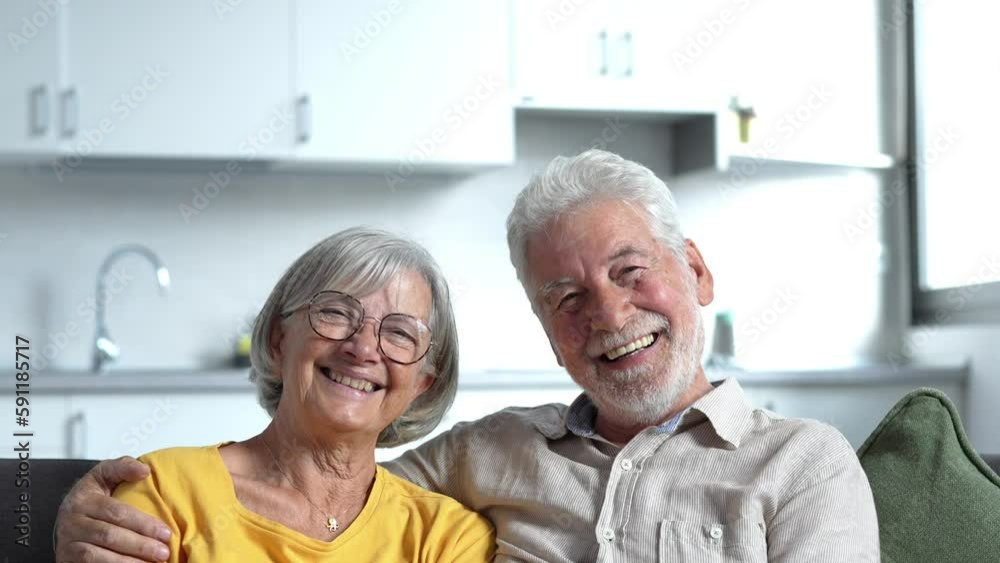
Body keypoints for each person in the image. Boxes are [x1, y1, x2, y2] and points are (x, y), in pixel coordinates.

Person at [55, 150, 879, 562]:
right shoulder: (486, 456)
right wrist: (63, 511)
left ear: (695, 271)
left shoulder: (802, 465)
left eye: (631, 273)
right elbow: (318, 486)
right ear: (546, 328)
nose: (609, 315)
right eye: (567, 298)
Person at [60, 227, 495, 562]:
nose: (362, 349)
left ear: (423, 383)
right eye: (336, 313)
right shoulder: (167, 491)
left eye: (399, 333)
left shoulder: (446, 538)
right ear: (277, 339)